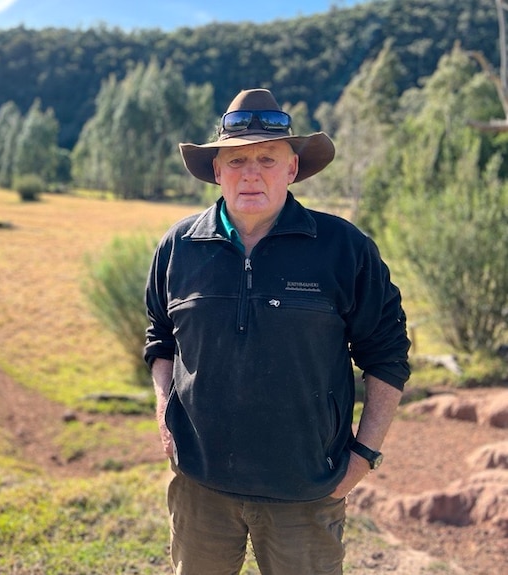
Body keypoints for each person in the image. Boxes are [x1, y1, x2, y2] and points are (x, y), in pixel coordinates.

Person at [144, 88, 411, 575]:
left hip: (306, 491)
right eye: (237, 159)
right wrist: (164, 412)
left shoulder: (343, 248)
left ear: (292, 169)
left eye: (267, 158)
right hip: (200, 486)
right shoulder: (179, 247)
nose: (251, 173)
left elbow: (387, 353)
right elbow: (160, 338)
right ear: (216, 171)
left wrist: (364, 455)